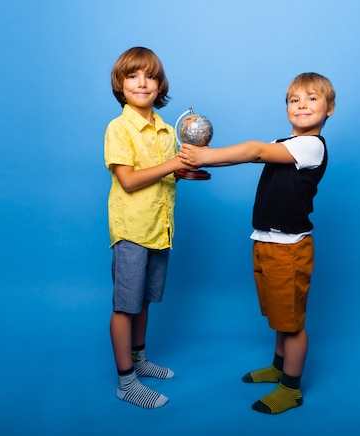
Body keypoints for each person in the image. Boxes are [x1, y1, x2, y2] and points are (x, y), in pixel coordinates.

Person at [178, 72, 336, 414]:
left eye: (312, 99)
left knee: (292, 324)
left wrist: (206, 157)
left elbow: (252, 151)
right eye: (294, 100)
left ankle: (291, 388)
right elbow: (257, 152)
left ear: (330, 109)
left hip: (288, 249)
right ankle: (278, 367)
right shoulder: (287, 143)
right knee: (280, 316)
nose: (302, 105)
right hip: (265, 241)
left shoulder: (311, 146)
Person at [104, 46, 192, 409]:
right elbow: (128, 180)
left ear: (160, 85)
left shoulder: (167, 129)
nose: (142, 83)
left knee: (143, 300)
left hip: (160, 227)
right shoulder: (119, 127)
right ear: (121, 85)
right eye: (133, 75)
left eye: (150, 76)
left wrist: (186, 166)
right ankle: (126, 381)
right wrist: (173, 163)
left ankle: (139, 360)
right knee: (126, 305)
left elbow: (169, 174)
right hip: (132, 230)